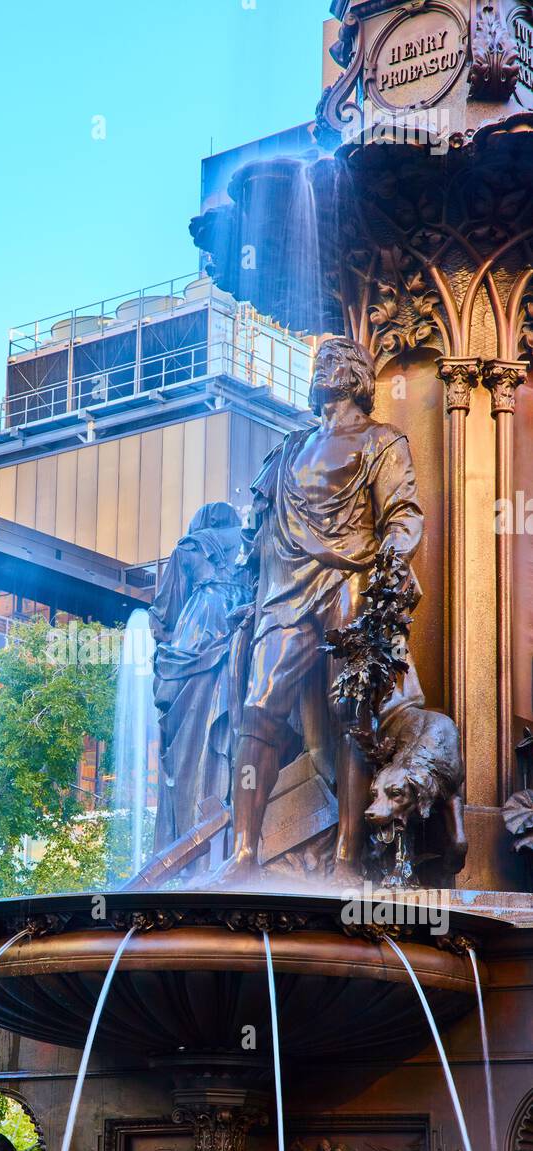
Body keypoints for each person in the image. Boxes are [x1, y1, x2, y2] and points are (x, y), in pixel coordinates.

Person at [215, 336, 426, 885]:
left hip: (348, 583)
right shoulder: (289, 447)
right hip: (284, 589)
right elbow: (254, 528)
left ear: (358, 376)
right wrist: (242, 588)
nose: (324, 365)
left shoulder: (382, 441)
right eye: (321, 359)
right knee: (257, 709)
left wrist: (390, 569)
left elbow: (402, 514)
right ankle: (243, 853)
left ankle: (348, 859)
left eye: (338, 358)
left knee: (351, 713)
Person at [149, 501, 253, 856]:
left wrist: (159, 648)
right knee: (237, 729)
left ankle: (191, 840)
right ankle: (229, 838)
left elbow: (166, 613)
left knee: (185, 741)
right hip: (244, 631)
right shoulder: (251, 543)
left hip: (197, 634)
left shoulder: (188, 549)